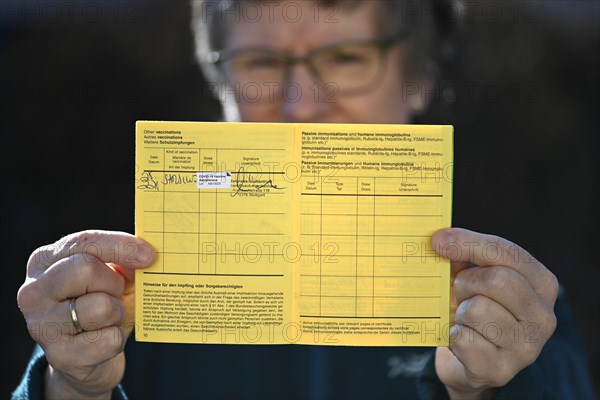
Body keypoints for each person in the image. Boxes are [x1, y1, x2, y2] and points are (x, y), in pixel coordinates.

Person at [12, 1, 596, 399]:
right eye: (263, 63)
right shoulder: (130, 297)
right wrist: (69, 386)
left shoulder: (510, 295)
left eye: (345, 58)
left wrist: (491, 388)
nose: (301, 102)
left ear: (416, 78)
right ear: (220, 85)